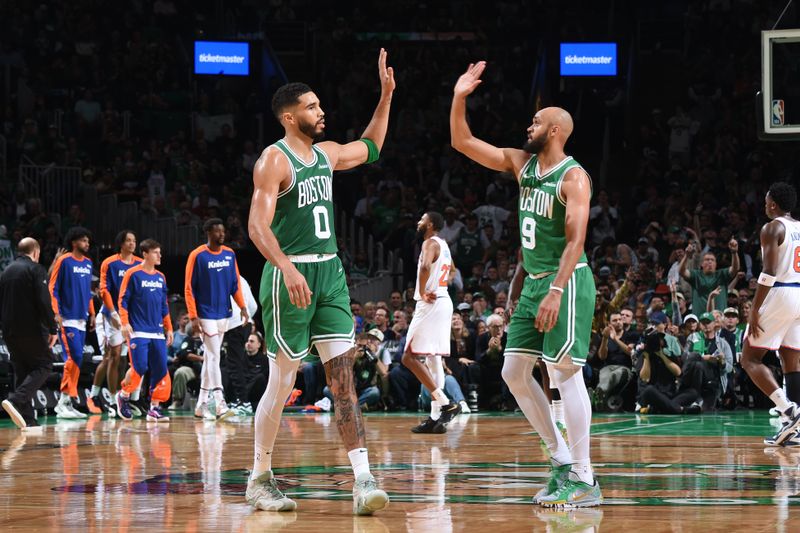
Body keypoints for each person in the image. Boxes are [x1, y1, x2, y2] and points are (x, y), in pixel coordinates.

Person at [246, 49, 394, 515]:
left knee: (343, 380)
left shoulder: (326, 155)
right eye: (312, 106)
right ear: (290, 117)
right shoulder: (274, 160)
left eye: (319, 105)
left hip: (329, 272)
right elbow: (256, 227)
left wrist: (386, 96)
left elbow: (370, 146)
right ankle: (259, 478)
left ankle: (363, 480)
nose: (321, 111)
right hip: (288, 274)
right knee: (282, 380)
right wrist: (287, 268)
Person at [451, 61, 601, 506]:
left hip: (567, 281)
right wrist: (460, 97)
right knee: (513, 372)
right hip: (536, 282)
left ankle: (584, 476)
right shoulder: (523, 165)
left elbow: (576, 240)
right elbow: (463, 142)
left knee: (564, 374)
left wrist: (556, 289)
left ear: (555, 130)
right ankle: (559, 458)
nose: (529, 126)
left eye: (537, 122)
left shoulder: (573, 177)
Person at [740, 182, 800, 446]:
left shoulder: (772, 227)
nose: (765, 206)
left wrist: (754, 309)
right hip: (799, 294)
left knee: (750, 358)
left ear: (773, 204)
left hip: (781, 292)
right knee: (791, 362)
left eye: (766, 202)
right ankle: (794, 430)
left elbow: (769, 273)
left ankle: (789, 410)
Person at [401, 212, 461, 433]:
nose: (418, 222)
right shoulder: (443, 245)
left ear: (431, 225)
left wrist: (425, 291)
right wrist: (441, 285)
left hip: (432, 303)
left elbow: (426, 266)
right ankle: (436, 418)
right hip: (444, 300)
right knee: (433, 360)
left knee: (408, 357)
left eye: (422, 219)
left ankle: (445, 403)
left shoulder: (429, 243)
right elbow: (452, 270)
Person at [185, 218, 249, 420]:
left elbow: (235, 285)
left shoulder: (230, 254)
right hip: (205, 314)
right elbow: (189, 288)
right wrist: (193, 316)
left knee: (211, 357)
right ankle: (220, 402)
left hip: (224, 313)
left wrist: (243, 307)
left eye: (223, 231)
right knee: (214, 356)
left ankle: (201, 404)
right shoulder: (197, 255)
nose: (222, 234)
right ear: (208, 233)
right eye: (217, 231)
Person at [0, 238, 58, 429]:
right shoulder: (35, 269)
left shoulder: (5, 272)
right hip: (31, 328)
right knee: (45, 364)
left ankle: (28, 420)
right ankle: (16, 399)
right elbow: (44, 301)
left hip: (9, 329)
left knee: (22, 369)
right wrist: (53, 328)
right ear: (36, 252)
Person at [115, 239, 174, 422]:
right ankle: (123, 395)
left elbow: (164, 305)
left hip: (156, 331)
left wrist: (169, 328)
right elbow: (122, 301)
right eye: (156, 252)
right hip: (138, 331)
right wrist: (124, 323)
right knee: (139, 367)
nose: (160, 255)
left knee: (161, 370)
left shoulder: (161, 277)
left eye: (160, 252)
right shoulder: (133, 274)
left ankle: (154, 408)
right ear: (145, 254)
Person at [91, 230, 142, 417]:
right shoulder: (110, 263)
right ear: (121, 243)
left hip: (134, 316)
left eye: (134, 240)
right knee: (113, 357)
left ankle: (127, 398)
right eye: (129, 240)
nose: (132, 244)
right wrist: (112, 313)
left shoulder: (139, 263)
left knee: (129, 359)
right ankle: (112, 401)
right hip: (112, 315)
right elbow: (104, 291)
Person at [49, 226, 95, 419]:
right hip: (66, 318)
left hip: (81, 318)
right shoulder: (64, 261)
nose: (87, 244)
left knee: (77, 358)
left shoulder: (88, 263)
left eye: (88, 241)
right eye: (83, 240)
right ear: (74, 242)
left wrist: (92, 313)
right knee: (74, 355)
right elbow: (53, 288)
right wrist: (56, 313)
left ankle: (66, 400)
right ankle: (63, 401)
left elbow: (88, 291)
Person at [224, 275, 259, 416]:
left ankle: (243, 402)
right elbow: (253, 306)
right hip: (246, 322)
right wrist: (249, 317)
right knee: (237, 361)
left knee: (233, 364)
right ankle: (240, 400)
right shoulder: (242, 278)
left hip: (233, 323)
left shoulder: (222, 276)